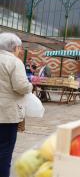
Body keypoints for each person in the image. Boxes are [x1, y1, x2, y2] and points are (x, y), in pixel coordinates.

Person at [0, 32, 33, 177]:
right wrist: (30, 86)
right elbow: (21, 86)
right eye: (19, 48)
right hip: (6, 114)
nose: (20, 51)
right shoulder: (14, 61)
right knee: (4, 151)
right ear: (14, 47)